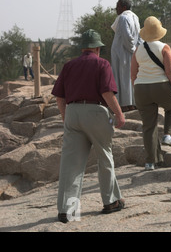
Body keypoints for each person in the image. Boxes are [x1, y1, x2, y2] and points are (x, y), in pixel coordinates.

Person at [52, 29, 126, 223]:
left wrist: (65, 117)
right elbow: (107, 93)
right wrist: (119, 114)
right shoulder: (102, 63)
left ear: (83, 48)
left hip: (73, 113)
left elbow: (60, 96)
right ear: (97, 48)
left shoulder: (69, 65)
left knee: (70, 164)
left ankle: (67, 210)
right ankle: (110, 202)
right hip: (96, 112)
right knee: (104, 155)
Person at [131, 16, 171, 171]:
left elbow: (133, 74)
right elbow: (170, 72)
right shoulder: (165, 47)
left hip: (141, 88)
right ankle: (168, 134)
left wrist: (138, 89)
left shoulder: (137, 50)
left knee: (149, 126)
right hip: (161, 86)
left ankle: (150, 162)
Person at [111, 0, 142, 112]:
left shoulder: (123, 18)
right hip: (130, 51)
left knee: (122, 77)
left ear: (124, 7)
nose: (116, 9)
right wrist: (138, 50)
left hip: (122, 52)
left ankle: (124, 104)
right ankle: (132, 103)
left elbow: (127, 36)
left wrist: (132, 49)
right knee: (130, 77)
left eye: (118, 6)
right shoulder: (135, 17)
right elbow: (139, 37)